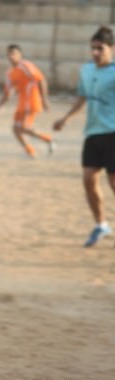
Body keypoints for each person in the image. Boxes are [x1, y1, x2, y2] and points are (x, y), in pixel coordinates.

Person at [53, 26, 115, 248]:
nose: (96, 53)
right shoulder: (86, 70)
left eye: (101, 48)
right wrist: (66, 119)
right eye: (93, 48)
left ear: (112, 49)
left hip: (113, 133)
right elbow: (82, 97)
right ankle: (101, 225)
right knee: (89, 179)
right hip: (93, 132)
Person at [0, 44, 55, 159]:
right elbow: (7, 93)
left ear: (20, 55)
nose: (11, 56)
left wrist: (44, 99)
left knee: (24, 127)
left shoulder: (26, 66)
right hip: (21, 104)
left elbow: (41, 80)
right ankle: (30, 152)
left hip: (32, 102)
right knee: (16, 129)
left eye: (14, 53)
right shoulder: (10, 73)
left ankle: (48, 139)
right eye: (9, 54)